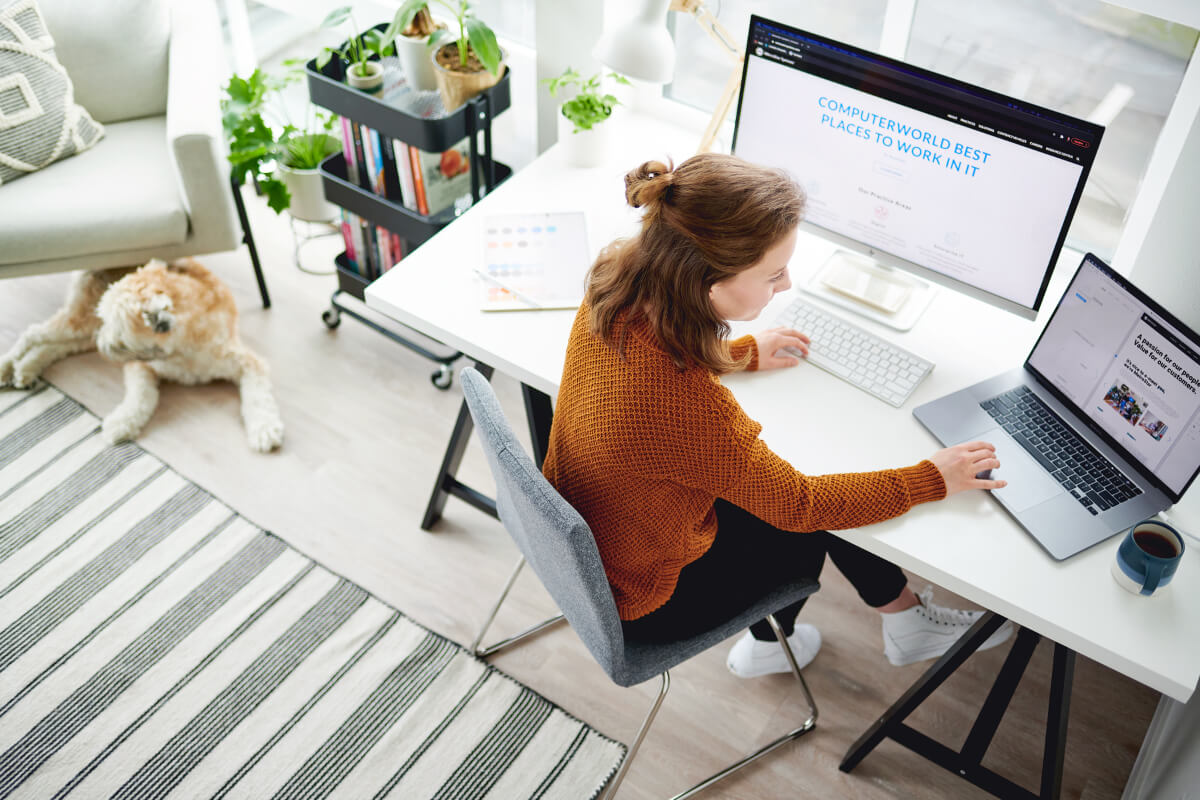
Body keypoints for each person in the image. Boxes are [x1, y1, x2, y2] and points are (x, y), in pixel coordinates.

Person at [541, 154, 1013, 677]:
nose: (785, 285)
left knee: (803, 486)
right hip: (646, 598)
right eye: (773, 274)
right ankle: (778, 644)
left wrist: (739, 353)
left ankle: (901, 616)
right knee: (815, 519)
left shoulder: (616, 282)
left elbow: (655, 377)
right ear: (709, 282)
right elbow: (802, 507)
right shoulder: (689, 409)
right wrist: (932, 479)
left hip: (592, 548)